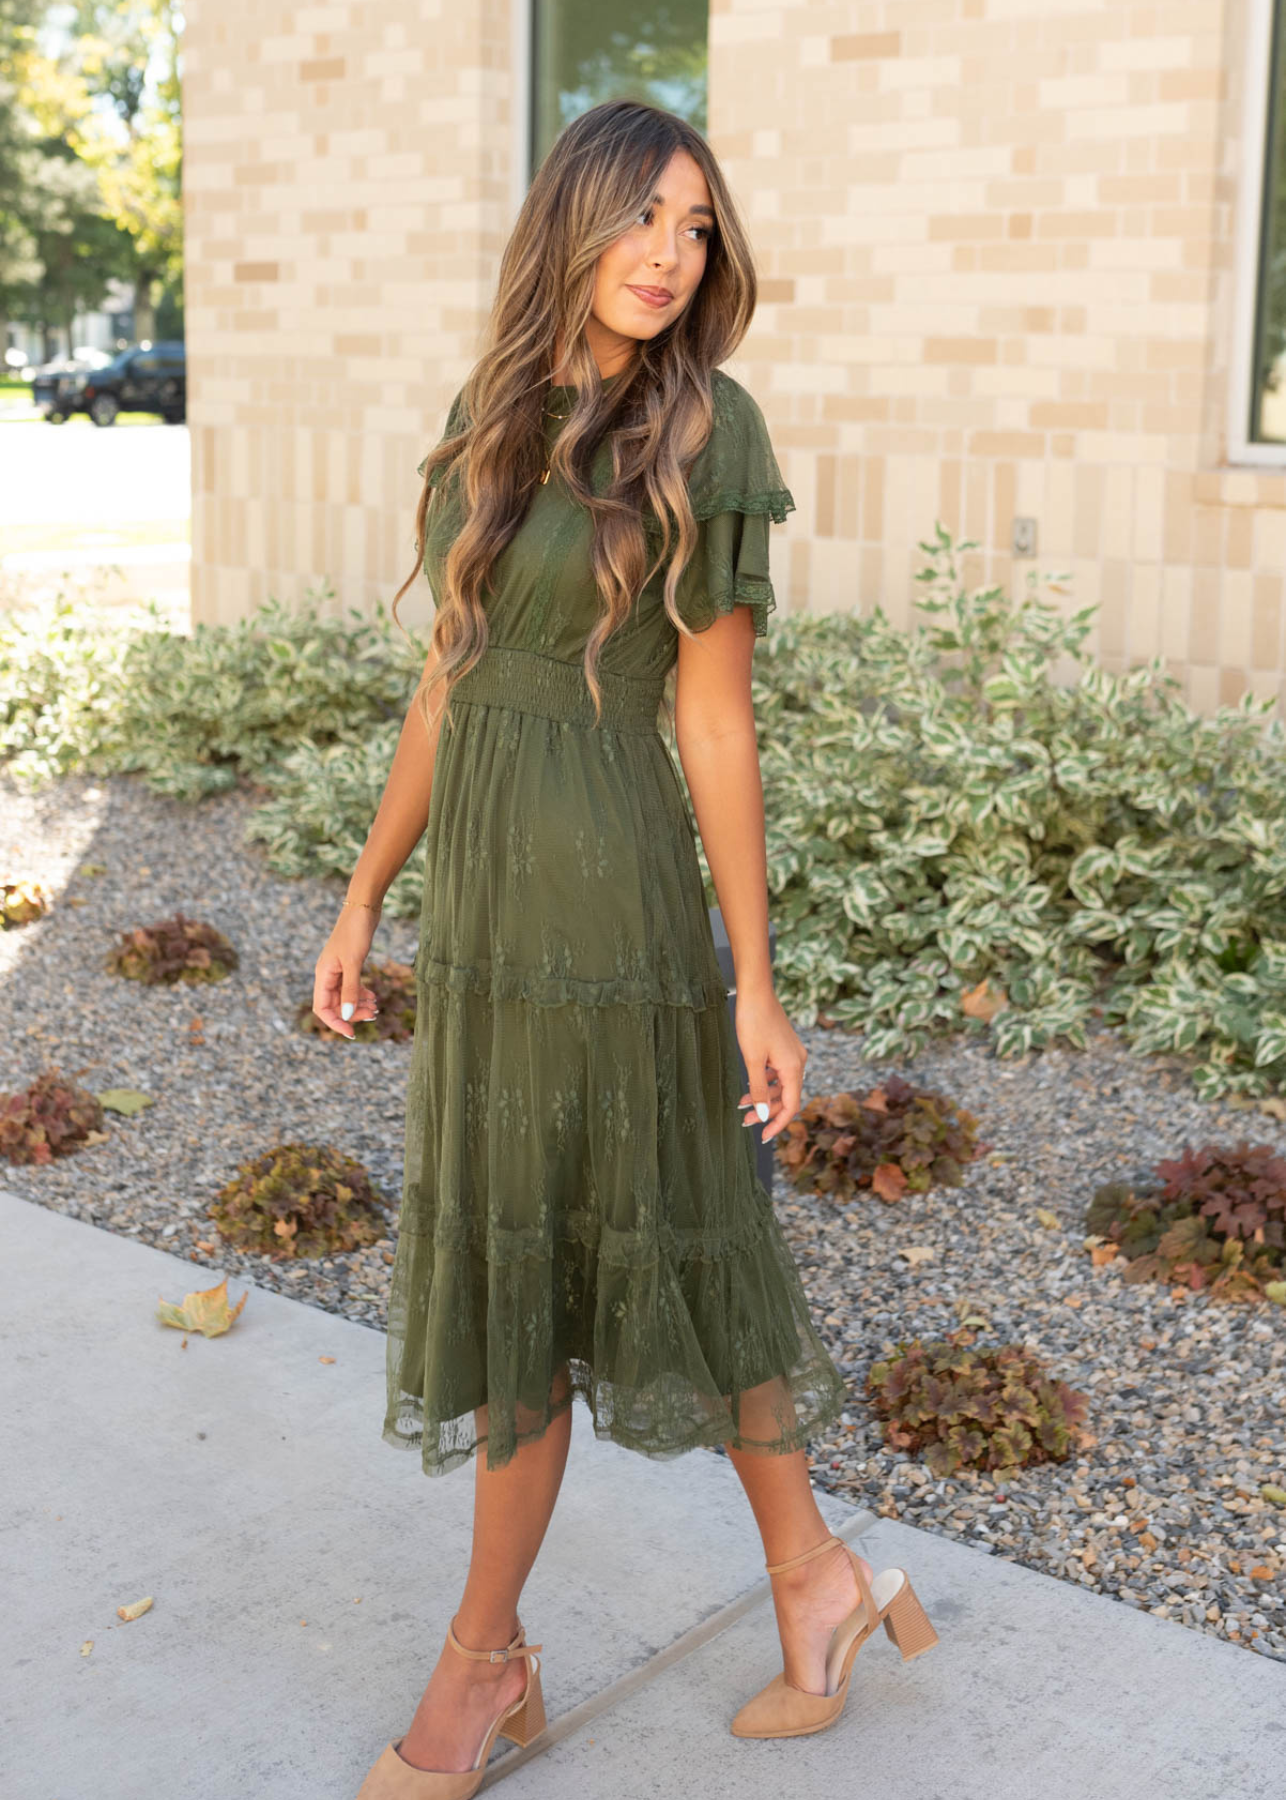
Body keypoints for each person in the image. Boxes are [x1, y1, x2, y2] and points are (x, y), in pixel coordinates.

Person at [313, 97, 935, 1800]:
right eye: (646, 217)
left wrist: (755, 978)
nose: (673, 253)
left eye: (699, 225)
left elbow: (718, 726)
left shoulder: (707, 427)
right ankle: (817, 1582)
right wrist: (369, 888)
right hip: (493, 918)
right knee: (635, 1227)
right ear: (573, 223)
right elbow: (449, 676)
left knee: (576, 1251)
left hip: (618, 912)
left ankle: (479, 1666)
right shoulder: (491, 413)